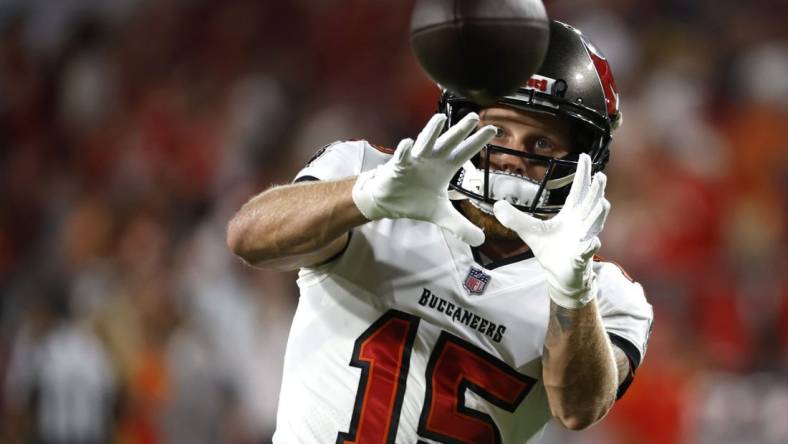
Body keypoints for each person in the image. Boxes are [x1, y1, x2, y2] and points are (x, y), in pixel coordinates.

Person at [227, 20, 653, 444]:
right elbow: (248, 238)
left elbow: (579, 409)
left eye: (541, 143)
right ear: (461, 119)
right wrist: (365, 198)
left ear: (581, 159)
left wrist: (572, 295)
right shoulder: (369, 175)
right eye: (497, 130)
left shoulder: (605, 294)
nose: (511, 158)